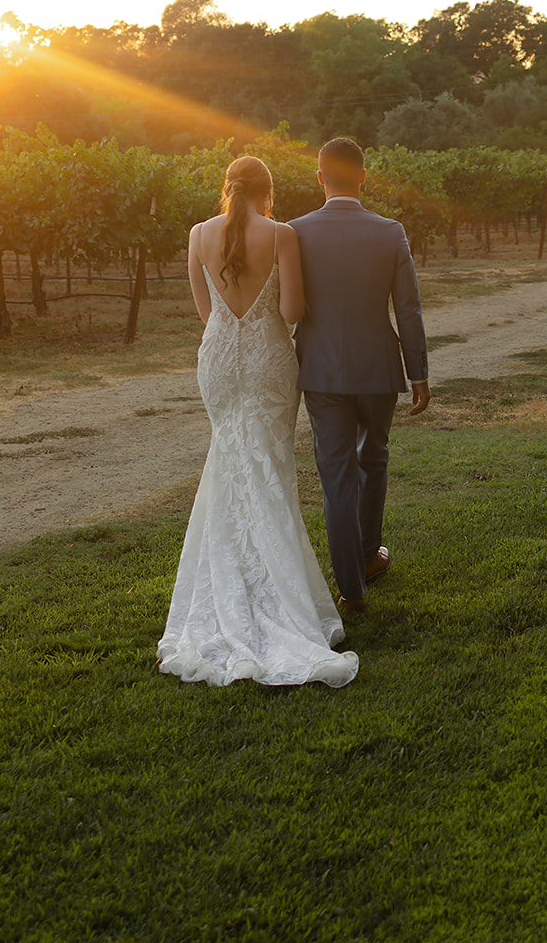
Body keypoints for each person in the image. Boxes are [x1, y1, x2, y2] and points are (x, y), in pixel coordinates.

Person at [156, 155, 358, 688]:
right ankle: (281, 604)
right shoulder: (282, 235)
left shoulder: (199, 233)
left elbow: (208, 313)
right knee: (270, 473)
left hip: (219, 362)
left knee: (228, 466)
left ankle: (226, 596)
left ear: (226, 189)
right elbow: (291, 312)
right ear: (268, 194)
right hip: (269, 361)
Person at [289, 137, 430, 613]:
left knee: (336, 477)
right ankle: (369, 555)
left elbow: (284, 307)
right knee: (374, 459)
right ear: (364, 177)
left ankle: (352, 589)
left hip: (322, 371)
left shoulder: (295, 232)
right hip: (378, 369)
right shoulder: (391, 232)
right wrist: (419, 373)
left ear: (320, 177)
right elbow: (407, 309)